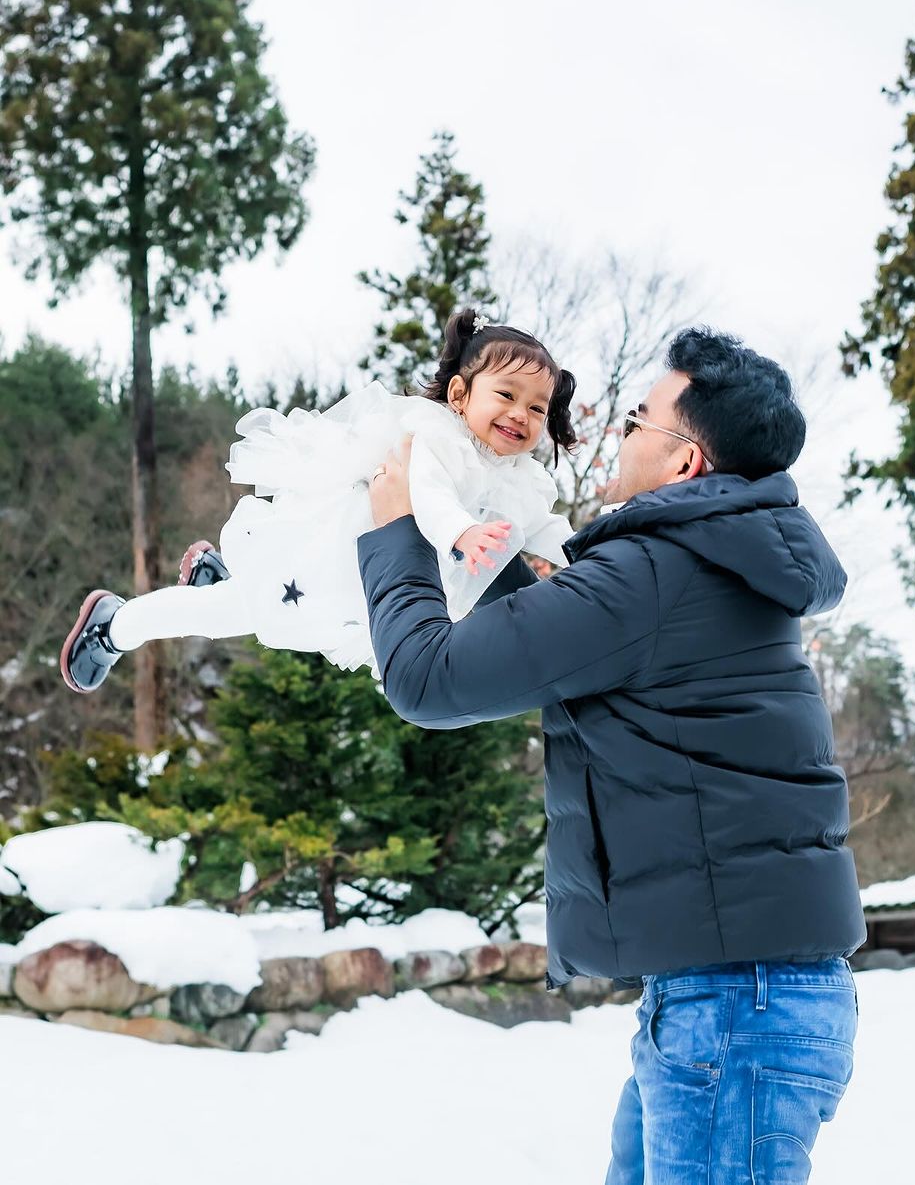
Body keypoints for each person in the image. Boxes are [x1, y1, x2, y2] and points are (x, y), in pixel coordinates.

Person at [359, 327, 865, 1183]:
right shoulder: (714, 563)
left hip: (734, 1009)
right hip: (739, 996)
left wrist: (399, 533)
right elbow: (572, 634)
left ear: (684, 463)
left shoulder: (654, 573)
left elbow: (427, 678)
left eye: (637, 419)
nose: (615, 431)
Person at [59, 309, 577, 691]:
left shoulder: (521, 480)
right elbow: (431, 491)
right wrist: (461, 532)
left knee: (265, 620)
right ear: (461, 395)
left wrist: (589, 552)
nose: (521, 415)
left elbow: (542, 528)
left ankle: (219, 578)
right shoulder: (434, 437)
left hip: (360, 598)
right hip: (323, 569)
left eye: (537, 407)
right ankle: (114, 625)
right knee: (226, 614)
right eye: (506, 395)